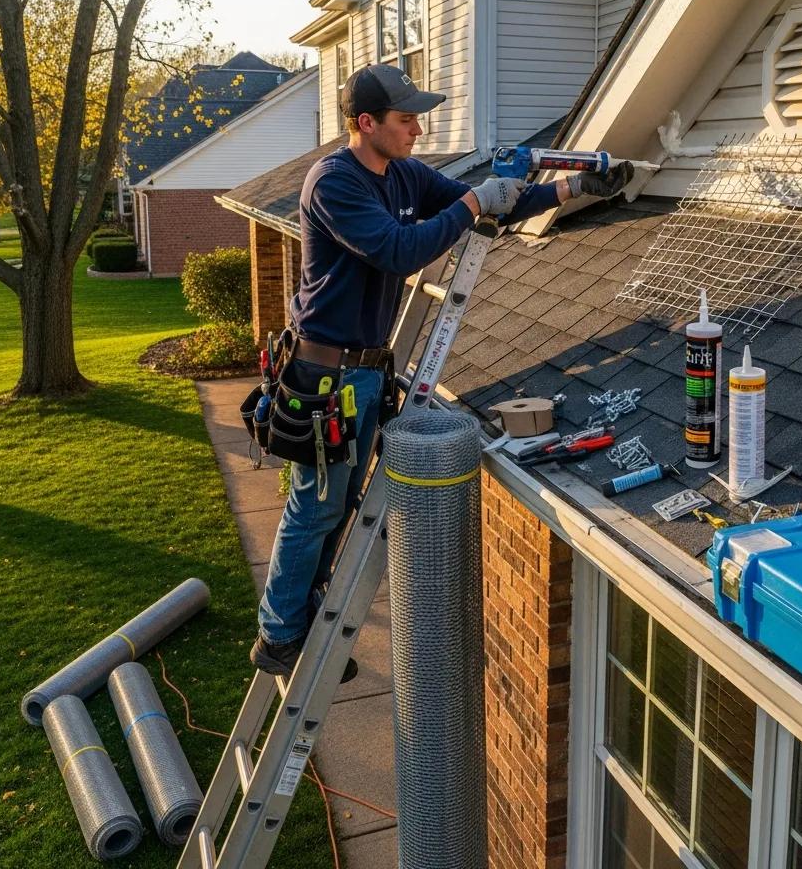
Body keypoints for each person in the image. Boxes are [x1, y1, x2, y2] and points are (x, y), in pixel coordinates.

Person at [251, 62, 633, 676]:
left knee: (342, 500)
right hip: (323, 376)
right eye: (406, 120)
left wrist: (572, 189)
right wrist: (475, 202)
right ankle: (278, 634)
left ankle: (306, 610)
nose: (418, 131)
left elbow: (487, 203)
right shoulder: (334, 183)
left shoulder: (401, 175)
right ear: (365, 123)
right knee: (316, 504)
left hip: (367, 372)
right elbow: (403, 249)